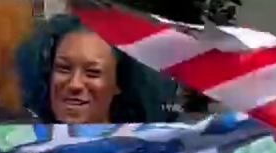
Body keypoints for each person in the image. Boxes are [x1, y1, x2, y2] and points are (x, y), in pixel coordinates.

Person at [16, 14, 174, 124]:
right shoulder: (18, 152)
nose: (74, 84)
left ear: (119, 82)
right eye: (63, 69)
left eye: (93, 73)